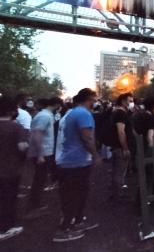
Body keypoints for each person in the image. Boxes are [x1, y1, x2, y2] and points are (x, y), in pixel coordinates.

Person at [54, 88, 101, 242]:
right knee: (73, 196)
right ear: (88, 99)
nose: (96, 101)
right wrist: (95, 156)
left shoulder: (71, 113)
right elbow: (87, 138)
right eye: (94, 98)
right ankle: (63, 230)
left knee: (78, 193)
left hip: (69, 161)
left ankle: (78, 221)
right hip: (75, 162)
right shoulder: (83, 114)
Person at [25, 97, 63, 219]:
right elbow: (37, 134)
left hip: (44, 152)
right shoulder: (45, 116)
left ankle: (35, 206)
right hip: (42, 153)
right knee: (39, 180)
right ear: (56, 104)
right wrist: (40, 154)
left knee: (40, 180)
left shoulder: (46, 115)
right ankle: (33, 208)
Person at [0, 96, 29, 241]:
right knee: (8, 199)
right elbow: (22, 147)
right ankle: (5, 228)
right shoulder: (17, 127)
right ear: (12, 111)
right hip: (10, 170)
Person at [108, 93, 134, 201]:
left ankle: (116, 194)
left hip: (116, 147)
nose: (131, 103)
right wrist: (125, 148)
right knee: (119, 172)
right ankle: (118, 196)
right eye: (129, 101)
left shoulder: (117, 112)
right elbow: (121, 132)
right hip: (120, 148)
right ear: (123, 101)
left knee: (116, 172)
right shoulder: (120, 113)